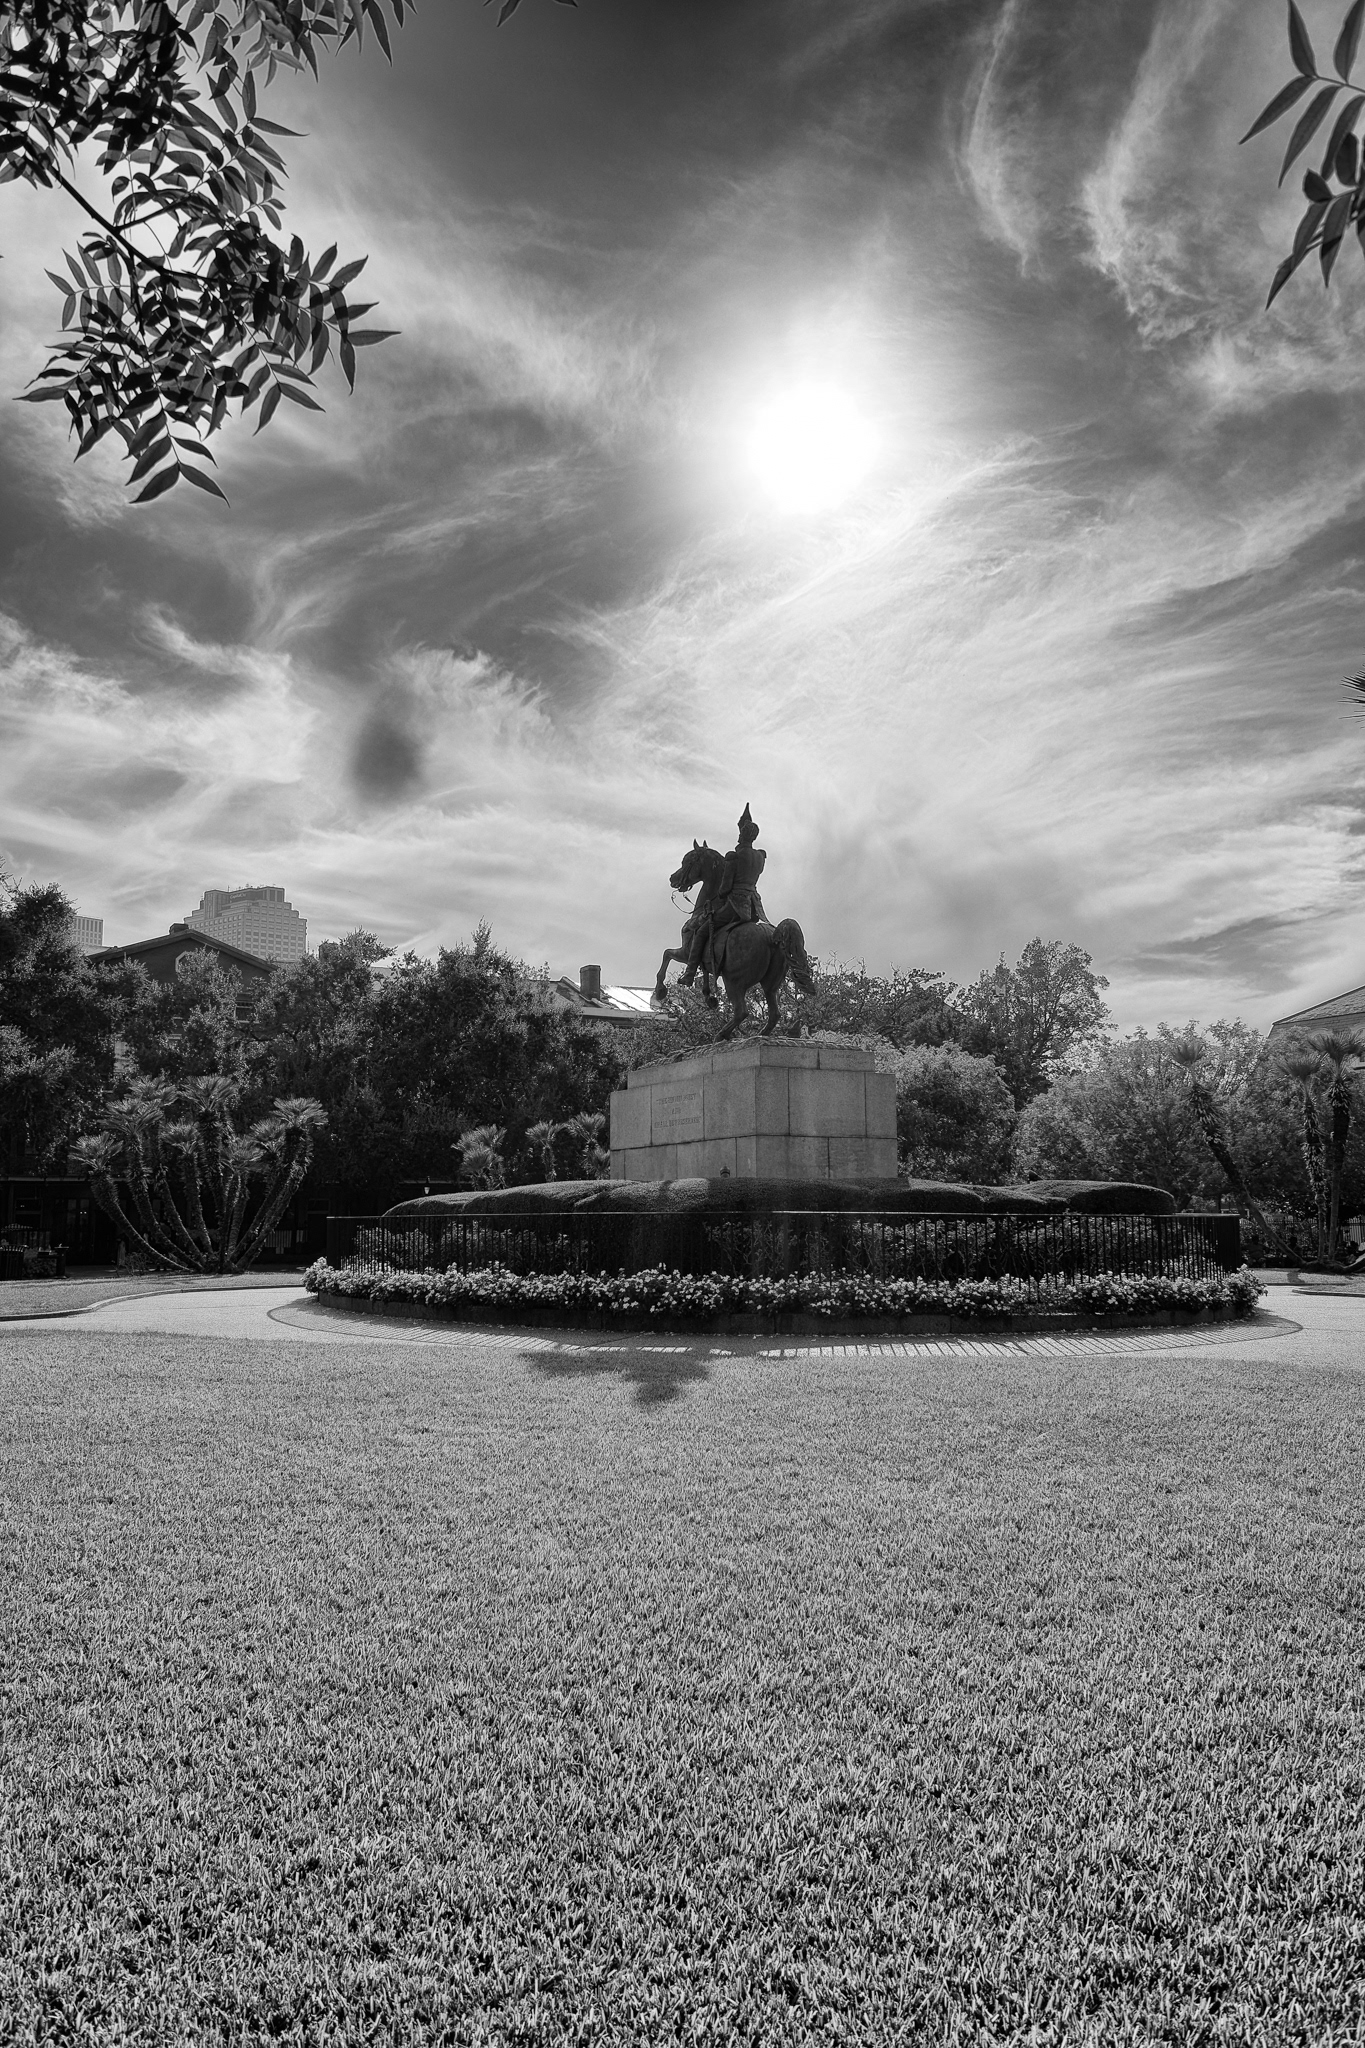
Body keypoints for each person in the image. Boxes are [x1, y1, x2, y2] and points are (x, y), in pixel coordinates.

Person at [681, 803, 768, 988]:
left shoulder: (733, 857)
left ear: (741, 835)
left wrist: (720, 895)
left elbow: (725, 888)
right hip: (754, 907)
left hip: (735, 906)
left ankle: (689, 974)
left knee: (702, 932)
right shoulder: (760, 857)